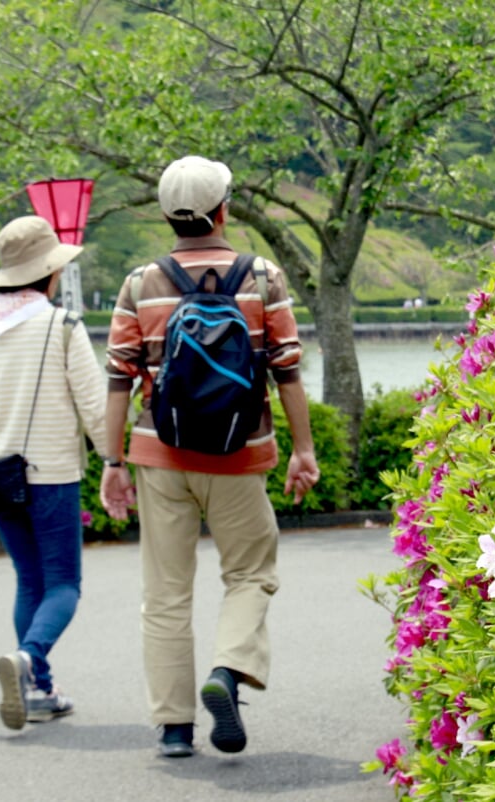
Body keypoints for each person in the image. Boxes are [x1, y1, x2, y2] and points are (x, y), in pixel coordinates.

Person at [99, 156, 320, 758]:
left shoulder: (140, 283)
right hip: (240, 453)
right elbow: (287, 371)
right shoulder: (263, 277)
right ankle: (227, 669)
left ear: (167, 215)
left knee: (165, 593)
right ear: (224, 209)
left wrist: (112, 462)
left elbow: (118, 378)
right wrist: (302, 450)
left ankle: (174, 727)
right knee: (250, 573)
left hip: (160, 453)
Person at [0, 215, 109, 731]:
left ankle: (39, 691)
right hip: (52, 474)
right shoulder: (64, 325)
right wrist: (115, 462)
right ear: (49, 273)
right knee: (64, 585)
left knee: (29, 581)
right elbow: (94, 405)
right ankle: (29, 659)